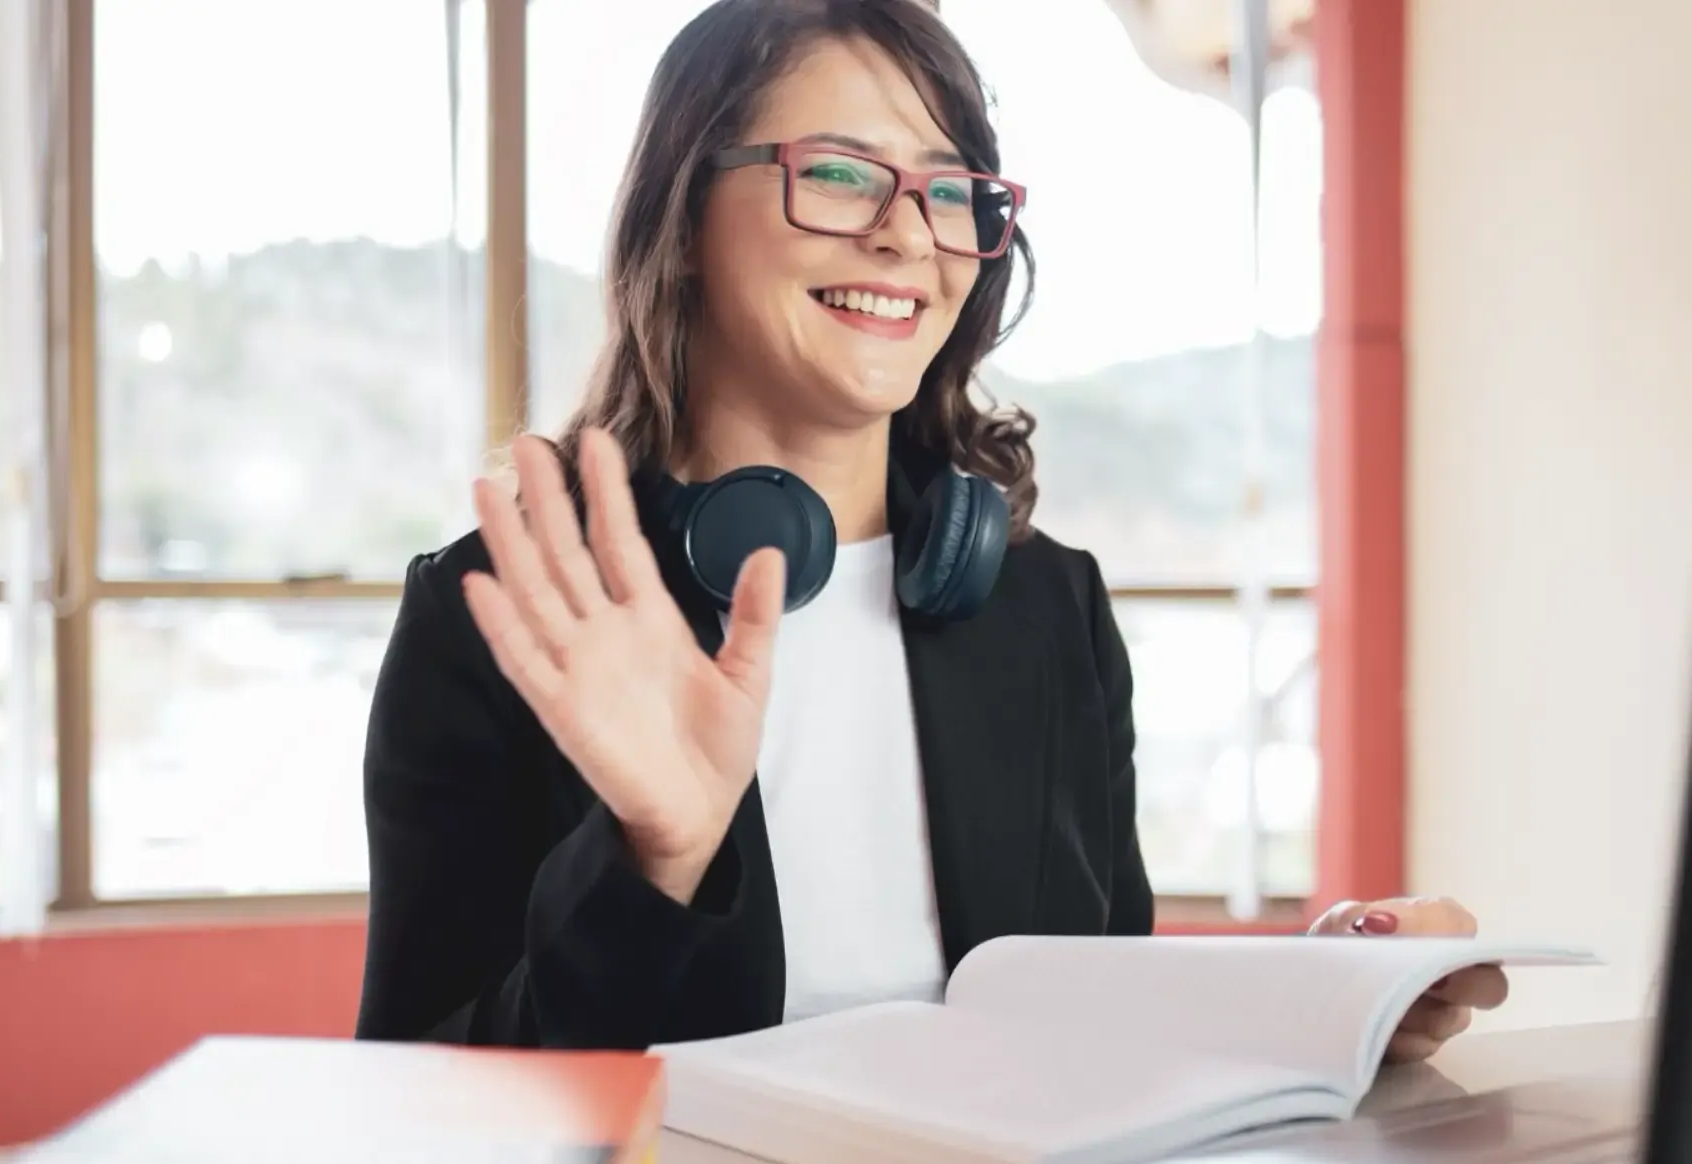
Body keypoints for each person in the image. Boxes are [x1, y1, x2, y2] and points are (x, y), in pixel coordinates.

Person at [354, 0, 1505, 1063]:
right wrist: (649, 865)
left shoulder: (1042, 606)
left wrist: (1329, 997)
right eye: (844, 174)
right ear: (686, 215)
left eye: (952, 192)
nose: (910, 237)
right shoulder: (506, 615)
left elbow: (1110, 1031)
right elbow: (422, 1112)